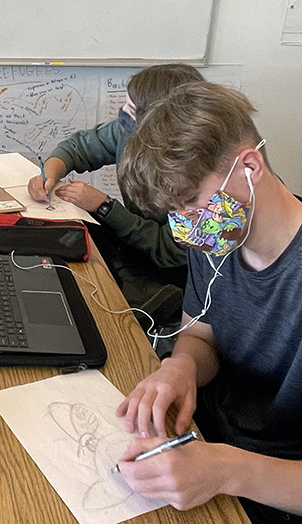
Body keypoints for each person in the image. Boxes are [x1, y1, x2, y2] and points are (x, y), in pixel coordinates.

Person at [114, 82, 302, 524]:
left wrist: (229, 472)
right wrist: (181, 366)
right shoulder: (217, 241)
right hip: (208, 444)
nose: (185, 231)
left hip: (270, 485)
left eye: (191, 205)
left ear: (250, 167)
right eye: (174, 216)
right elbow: (201, 331)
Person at [27, 64, 205, 329]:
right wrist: (49, 174)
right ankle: (129, 280)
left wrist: (104, 206)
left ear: (159, 121)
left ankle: (139, 287)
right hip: (138, 247)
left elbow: (167, 250)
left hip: (176, 268)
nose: (123, 114)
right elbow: (79, 147)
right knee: (80, 224)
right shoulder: (129, 131)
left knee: (94, 220)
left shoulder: (201, 172)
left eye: (131, 110)